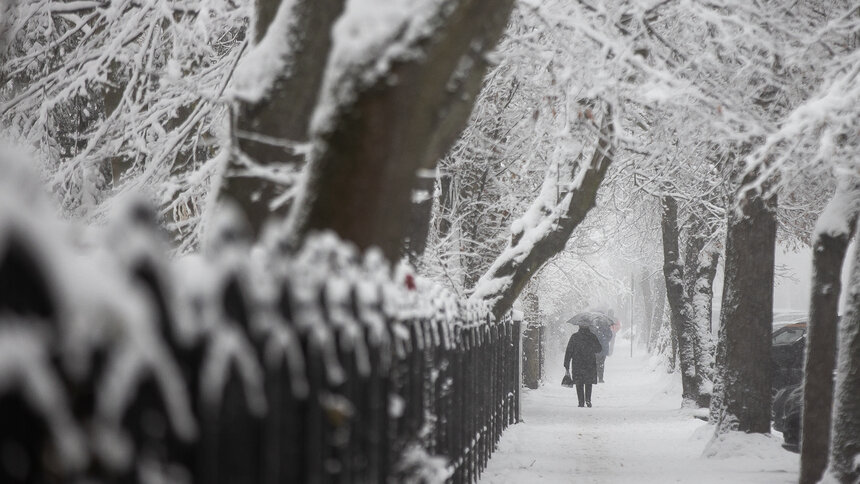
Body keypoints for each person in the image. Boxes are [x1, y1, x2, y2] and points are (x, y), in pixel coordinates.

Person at [563, 324, 603, 407]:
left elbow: (569, 351)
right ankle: (588, 400)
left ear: (579, 326)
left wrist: (566, 364)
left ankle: (580, 402)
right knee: (588, 382)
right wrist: (591, 347)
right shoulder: (592, 336)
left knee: (579, 383)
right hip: (589, 363)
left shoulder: (574, 337)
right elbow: (599, 349)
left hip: (577, 363)